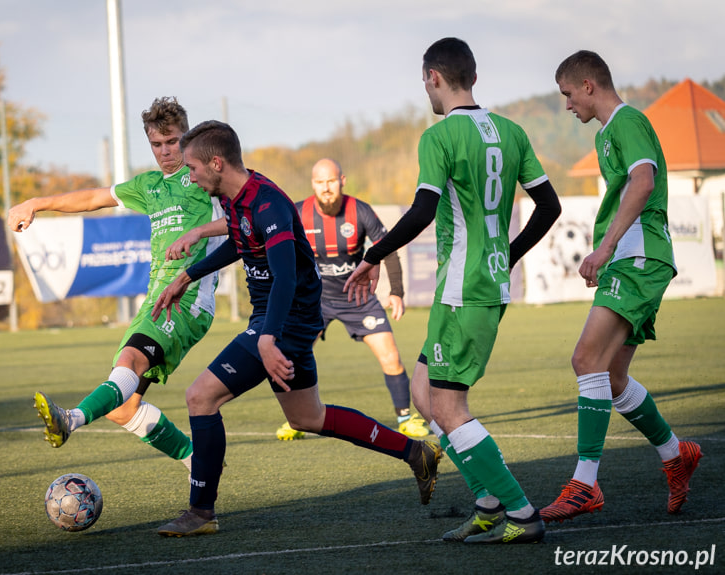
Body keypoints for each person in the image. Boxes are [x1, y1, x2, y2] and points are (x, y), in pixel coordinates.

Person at [151, 120, 442, 537]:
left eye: (194, 167)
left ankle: (200, 512)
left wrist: (268, 339)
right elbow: (240, 241)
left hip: (284, 319)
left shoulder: (267, 204)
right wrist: (188, 275)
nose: (190, 175)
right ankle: (416, 452)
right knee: (309, 417)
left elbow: (285, 278)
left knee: (200, 397)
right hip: (280, 318)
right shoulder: (236, 198)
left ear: (216, 163)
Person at [345, 37, 562, 544]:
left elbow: (422, 211)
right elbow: (549, 206)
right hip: (480, 283)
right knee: (424, 394)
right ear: (475, 77)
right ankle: (487, 506)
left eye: (425, 80)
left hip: (466, 288)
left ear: (433, 78)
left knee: (447, 407)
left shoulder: (439, 136)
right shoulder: (511, 131)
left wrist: (372, 256)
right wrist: (508, 252)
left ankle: (522, 513)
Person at [7, 97, 224, 472]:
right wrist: (36, 203)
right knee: (122, 409)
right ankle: (196, 459)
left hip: (188, 299)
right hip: (155, 301)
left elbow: (246, 215)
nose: (165, 151)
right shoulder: (149, 185)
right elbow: (94, 197)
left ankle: (71, 419)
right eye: (157, 144)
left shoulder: (206, 176)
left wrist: (202, 232)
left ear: (186, 138)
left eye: (172, 141)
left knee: (129, 361)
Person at [540, 50, 702, 523]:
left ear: (589, 85)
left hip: (637, 258)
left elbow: (643, 182)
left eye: (568, 94)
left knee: (585, 360)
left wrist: (605, 248)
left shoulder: (627, 121)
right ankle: (677, 455)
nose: (567, 105)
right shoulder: (611, 132)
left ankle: (585, 485)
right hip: (633, 261)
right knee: (609, 378)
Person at [275, 158, 428, 440]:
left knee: (391, 357)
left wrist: (396, 292)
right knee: (289, 359)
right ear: (313, 185)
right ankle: (296, 419)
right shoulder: (297, 213)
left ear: (342, 181)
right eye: (320, 183)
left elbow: (388, 248)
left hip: (357, 297)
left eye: (331, 181)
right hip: (313, 300)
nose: (326, 188)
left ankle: (405, 418)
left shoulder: (360, 211)